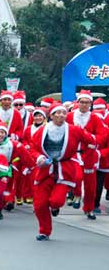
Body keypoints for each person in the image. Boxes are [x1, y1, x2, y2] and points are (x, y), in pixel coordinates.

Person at [30, 102, 97, 241]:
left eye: (63, 113)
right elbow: (33, 148)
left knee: (57, 200)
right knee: (40, 204)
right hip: (45, 170)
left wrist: (88, 150)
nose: (61, 115)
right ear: (51, 115)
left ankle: (55, 207)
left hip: (64, 169)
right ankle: (44, 231)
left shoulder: (74, 130)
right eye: (58, 113)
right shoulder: (42, 131)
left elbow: (90, 141)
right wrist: (40, 157)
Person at [65, 89, 104, 219]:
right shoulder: (69, 116)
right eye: (82, 102)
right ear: (78, 102)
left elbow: (102, 134)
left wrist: (94, 140)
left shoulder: (94, 118)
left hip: (89, 155)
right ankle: (76, 195)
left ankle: (89, 208)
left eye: (87, 103)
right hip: (74, 154)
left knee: (90, 186)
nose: (85, 105)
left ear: (91, 104)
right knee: (76, 177)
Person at [0, 122, 31, 224]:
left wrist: (33, 165)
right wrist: (0, 159)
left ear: (6, 134)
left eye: (2, 132)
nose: (0, 135)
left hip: (5, 172)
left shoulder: (11, 144)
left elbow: (25, 155)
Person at [19, 107, 47, 205]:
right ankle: (26, 195)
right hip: (29, 154)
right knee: (27, 175)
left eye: (40, 116)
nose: (38, 118)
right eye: (36, 116)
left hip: (41, 155)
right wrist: (26, 145)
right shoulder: (28, 128)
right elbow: (24, 139)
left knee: (37, 175)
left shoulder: (46, 128)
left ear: (44, 117)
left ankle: (35, 195)